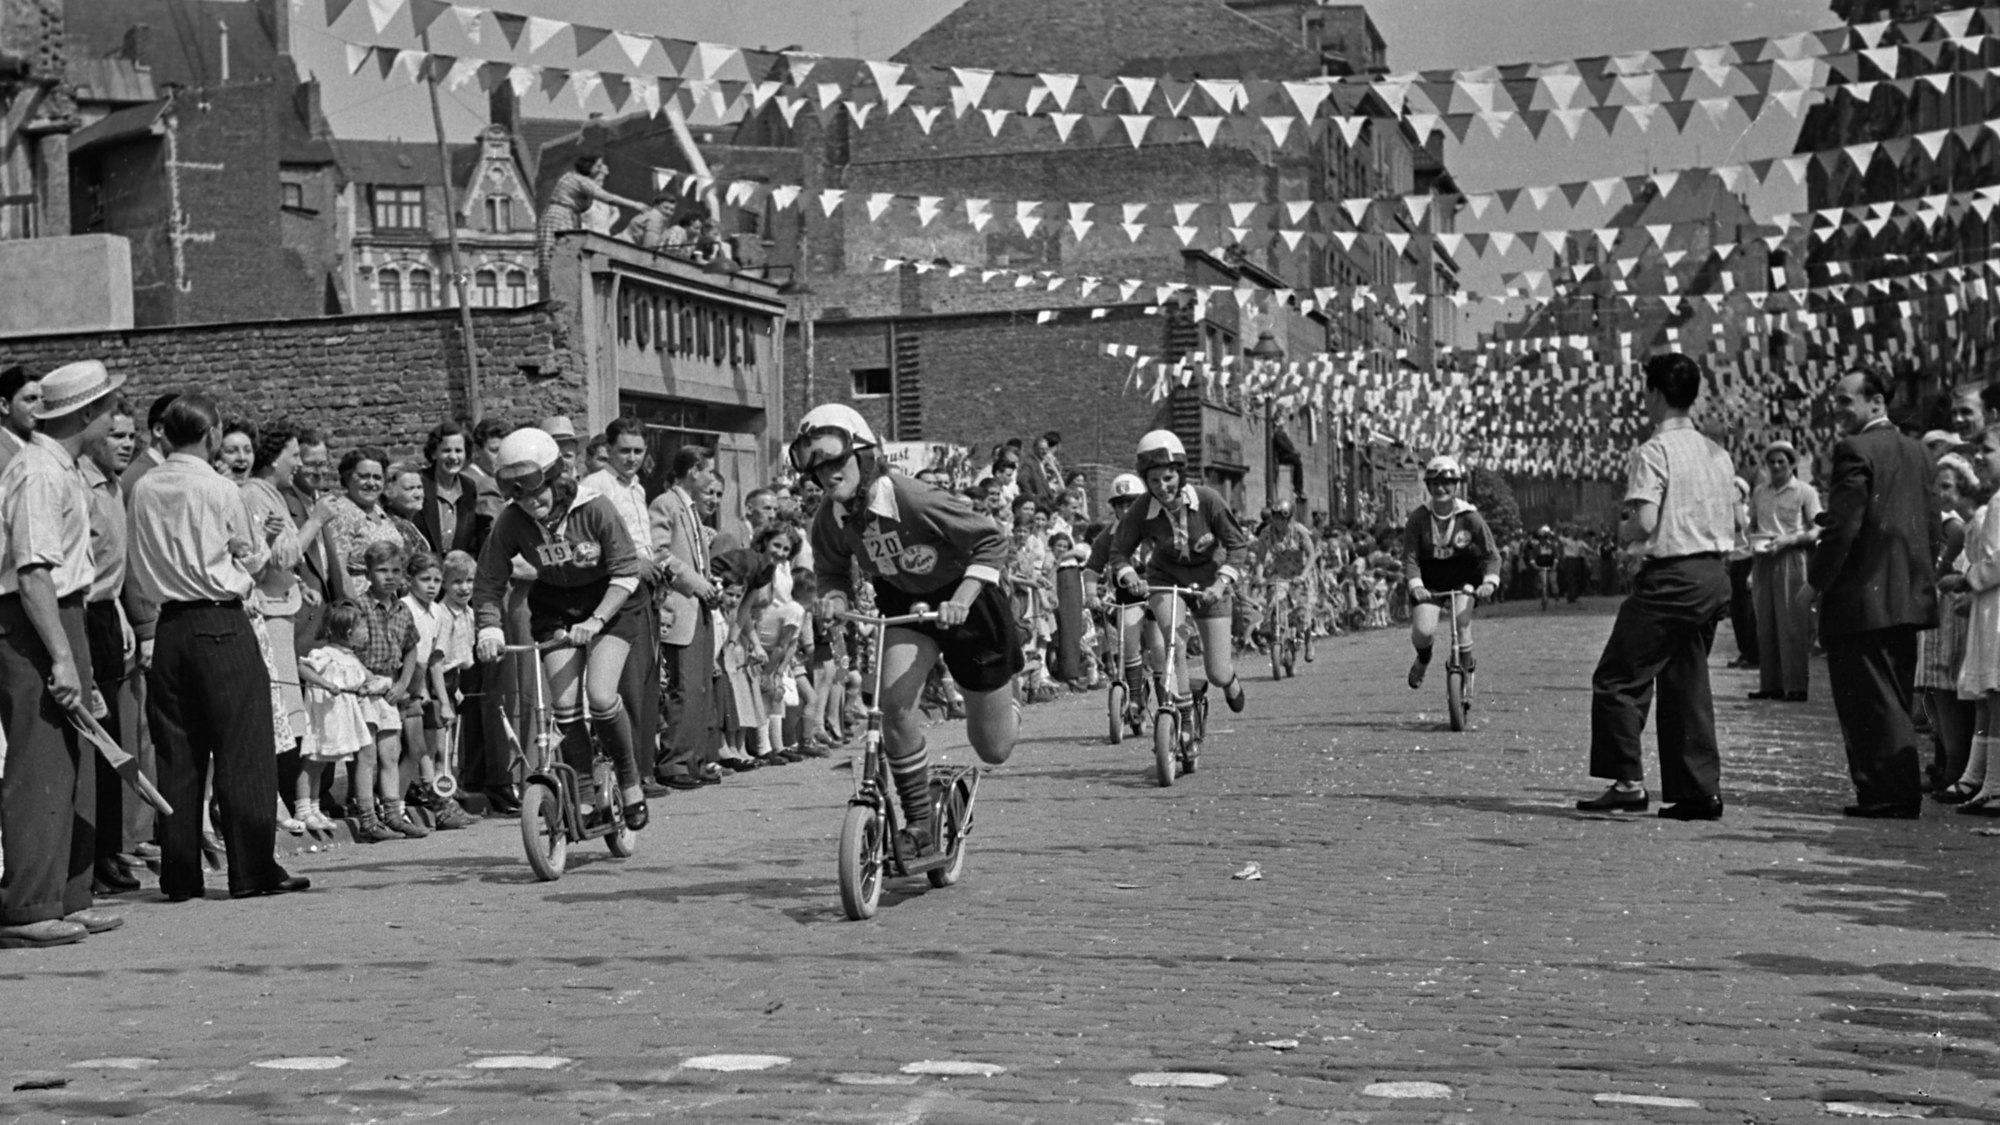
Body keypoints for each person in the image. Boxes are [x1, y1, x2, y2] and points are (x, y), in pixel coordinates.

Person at [793, 404, 1021, 853]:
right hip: (905, 606)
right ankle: (919, 823)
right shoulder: (829, 518)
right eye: (817, 469)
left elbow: (992, 539)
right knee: (893, 706)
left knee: (993, 748)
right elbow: (832, 571)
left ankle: (1007, 707)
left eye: (836, 461)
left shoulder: (913, 497)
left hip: (968, 603)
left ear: (864, 455)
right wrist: (834, 599)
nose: (827, 476)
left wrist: (961, 599)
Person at [127, 391, 308, 900]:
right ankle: (252, 869)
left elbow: (139, 559)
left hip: (170, 625)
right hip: (220, 619)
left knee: (178, 751)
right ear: (211, 435)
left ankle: (179, 871)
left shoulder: (142, 487)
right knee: (242, 749)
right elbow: (248, 560)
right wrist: (257, 555)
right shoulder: (219, 487)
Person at [1574, 353, 1736, 821]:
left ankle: (1627, 782)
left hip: (1672, 578)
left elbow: (1644, 523)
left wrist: (1623, 526)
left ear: (1655, 393)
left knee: (1618, 677)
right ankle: (1698, 790)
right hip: (1712, 573)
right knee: (1686, 681)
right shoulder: (1717, 453)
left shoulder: (1653, 451)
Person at [0, 360, 125, 948]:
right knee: (41, 760)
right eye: (107, 408)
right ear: (84, 415)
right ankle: (28, 904)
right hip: (35, 621)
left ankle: (69, 892)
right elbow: (32, 572)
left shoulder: (64, 468)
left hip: (67, 613)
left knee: (76, 758)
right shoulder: (39, 473)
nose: (116, 418)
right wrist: (62, 656)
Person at [474, 428, 649, 829]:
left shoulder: (596, 508)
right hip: (555, 607)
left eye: (537, 490)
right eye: (518, 494)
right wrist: (489, 631)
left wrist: (596, 621)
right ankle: (586, 795)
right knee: (566, 707)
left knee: (601, 697)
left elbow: (626, 571)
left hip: (612, 603)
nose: (531, 502)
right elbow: (488, 581)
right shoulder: (511, 522)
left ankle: (630, 779)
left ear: (557, 479)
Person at [1809, 370, 1941, 818]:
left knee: (1869, 699)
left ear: (1877, 403)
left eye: (1846, 401)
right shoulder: (1920, 452)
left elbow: (1844, 526)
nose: (1838, 410)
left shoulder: (1856, 450)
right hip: (1906, 596)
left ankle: (1888, 792)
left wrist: (1816, 581)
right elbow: (1932, 523)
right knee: (1893, 696)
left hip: (1862, 597)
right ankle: (1891, 788)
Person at [1107, 430, 1251, 715]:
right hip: (1166, 581)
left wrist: (1222, 584)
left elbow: (1238, 545)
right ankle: (1182, 718)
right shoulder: (1141, 509)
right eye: (1154, 480)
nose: (1162, 486)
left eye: (1168, 478)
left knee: (1218, 673)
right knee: (1175, 643)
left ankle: (1228, 680)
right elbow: (1118, 551)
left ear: (1180, 474)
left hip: (1210, 584)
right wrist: (1130, 575)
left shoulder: (1208, 500)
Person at [581, 418, 665, 796]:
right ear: (609, 451)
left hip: (644, 588)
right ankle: (628, 774)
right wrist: (633, 562)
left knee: (646, 681)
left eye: (638, 451)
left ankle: (644, 769)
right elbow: (590, 542)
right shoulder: (596, 486)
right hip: (617, 589)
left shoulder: (637, 488)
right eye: (624, 451)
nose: (631, 458)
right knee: (626, 684)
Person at [79, 399, 139, 894]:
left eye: (131, 435)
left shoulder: (114, 485)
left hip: (105, 613)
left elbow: (111, 569)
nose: (127, 444)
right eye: (117, 434)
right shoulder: (81, 484)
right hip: (80, 615)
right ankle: (91, 856)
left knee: (114, 737)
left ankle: (109, 849)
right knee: (95, 737)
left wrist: (119, 613)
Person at [648, 444, 724, 790]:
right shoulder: (666, 503)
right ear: (694, 470)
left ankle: (694, 757)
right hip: (679, 607)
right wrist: (695, 583)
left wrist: (709, 583)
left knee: (700, 687)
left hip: (699, 608)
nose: (711, 478)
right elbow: (659, 552)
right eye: (708, 471)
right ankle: (674, 760)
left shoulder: (690, 509)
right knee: (684, 687)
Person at [1401, 455, 1500, 698]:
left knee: (1462, 624)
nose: (1440, 489)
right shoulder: (1418, 518)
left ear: (1456, 486)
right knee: (1423, 632)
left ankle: (1465, 674)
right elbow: (1410, 558)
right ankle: (1424, 659)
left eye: (1446, 483)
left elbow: (1491, 556)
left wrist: (1489, 582)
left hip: (1463, 575)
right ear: (1429, 487)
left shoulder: (1470, 517)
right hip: (1430, 577)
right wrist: (1416, 586)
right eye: (1434, 484)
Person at [1747, 441, 1821, 702]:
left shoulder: (1805, 492)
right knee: (1765, 622)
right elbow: (1752, 523)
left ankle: (1796, 686)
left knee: (1792, 622)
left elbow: (1817, 529)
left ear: (1791, 464)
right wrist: (1753, 540)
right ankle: (1770, 685)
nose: (1777, 466)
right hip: (1763, 559)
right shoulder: (1759, 492)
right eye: (1772, 462)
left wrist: (1790, 540)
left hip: (1791, 558)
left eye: (1782, 461)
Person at [536, 153, 645, 284]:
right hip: (559, 216)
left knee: (566, 256)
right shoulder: (578, 180)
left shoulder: (576, 179)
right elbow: (608, 198)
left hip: (567, 216)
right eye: (598, 165)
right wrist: (635, 205)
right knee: (557, 255)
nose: (600, 168)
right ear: (589, 165)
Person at [1252, 499, 1319, 661]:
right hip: (1281, 575)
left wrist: (1303, 575)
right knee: (1276, 603)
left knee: (1303, 614)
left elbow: (1311, 555)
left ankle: (1308, 641)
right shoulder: (1266, 533)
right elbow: (1260, 559)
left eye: (1281, 518)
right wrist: (1259, 576)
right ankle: (1278, 637)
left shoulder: (1299, 531)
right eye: (1274, 518)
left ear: (1289, 519)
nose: (1277, 522)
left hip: (1302, 575)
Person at [416, 420, 483, 558]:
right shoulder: (420, 482)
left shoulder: (468, 487)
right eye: (446, 450)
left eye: (458, 451)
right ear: (434, 453)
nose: (453, 457)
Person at [0, 363, 40, 476]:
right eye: (30, 399)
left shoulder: (43, 442)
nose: (39, 406)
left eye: (42, 399)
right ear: (4, 406)